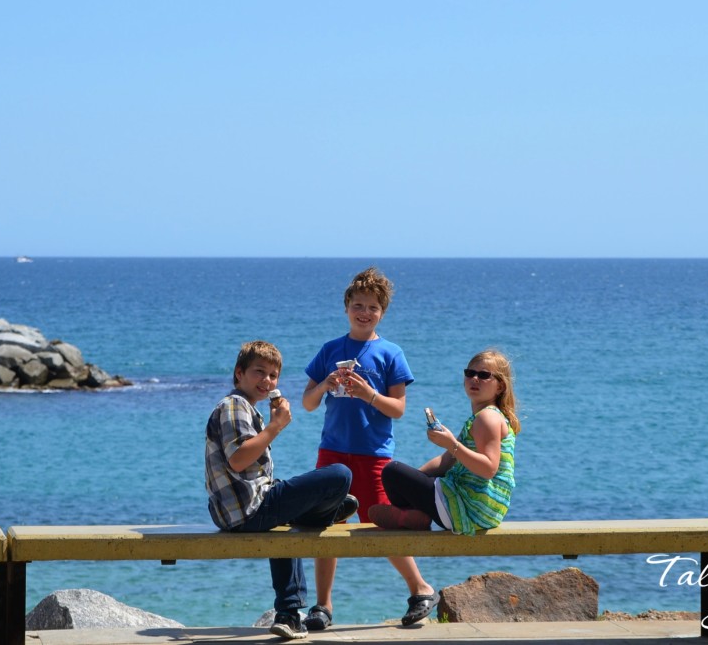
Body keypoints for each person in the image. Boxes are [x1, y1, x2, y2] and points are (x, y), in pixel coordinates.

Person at [301, 267, 437, 628]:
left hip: (374, 453)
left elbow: (399, 409)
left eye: (373, 307)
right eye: (358, 305)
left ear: (383, 312)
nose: (364, 312)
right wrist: (325, 384)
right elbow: (308, 403)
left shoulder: (391, 353)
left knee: (380, 521)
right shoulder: (330, 350)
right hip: (331, 452)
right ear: (346, 307)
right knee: (326, 526)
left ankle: (420, 588)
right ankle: (323, 606)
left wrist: (368, 394)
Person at [205, 340, 359, 640]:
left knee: (286, 519)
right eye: (258, 372)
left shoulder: (245, 407)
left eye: (273, 375)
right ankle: (320, 514)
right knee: (340, 475)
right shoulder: (233, 405)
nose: (267, 381)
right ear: (239, 374)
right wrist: (275, 427)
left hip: (238, 511)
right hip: (247, 509)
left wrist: (270, 425)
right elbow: (238, 460)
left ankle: (288, 613)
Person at [369, 349, 520, 538]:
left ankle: (411, 516)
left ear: (499, 387)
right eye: (470, 373)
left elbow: (488, 469)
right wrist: (415, 481)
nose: (475, 379)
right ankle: (414, 515)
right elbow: (447, 461)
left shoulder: (487, 418)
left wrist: (451, 444)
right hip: (488, 510)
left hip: (470, 507)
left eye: (484, 375)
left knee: (392, 471)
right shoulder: (487, 416)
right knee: (403, 476)